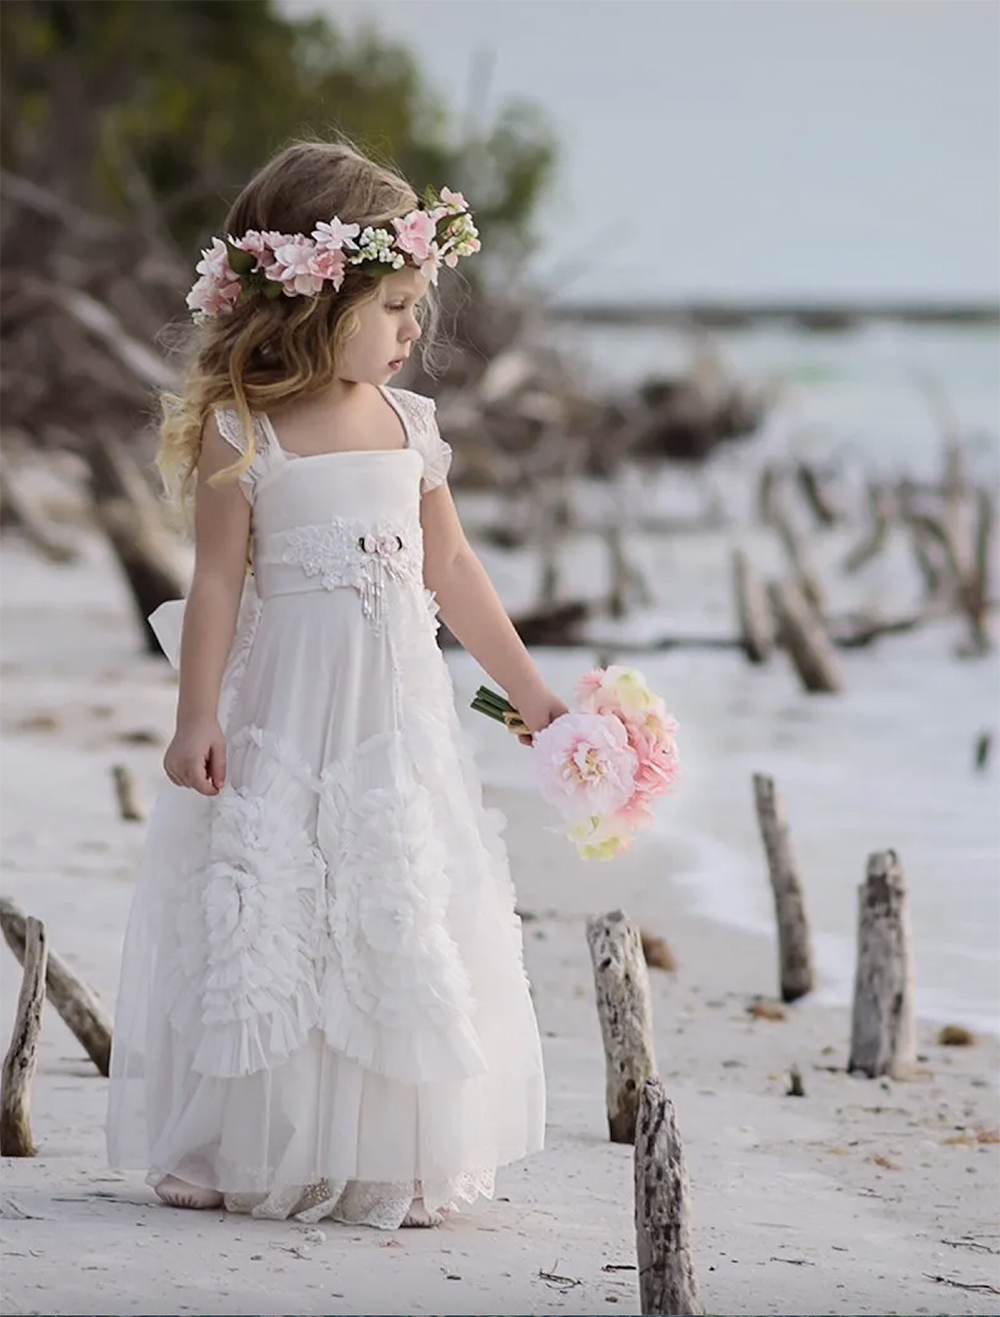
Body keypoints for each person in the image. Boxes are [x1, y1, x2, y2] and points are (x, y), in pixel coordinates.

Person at [105, 140, 567, 1230]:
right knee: (279, 908)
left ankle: (401, 1147)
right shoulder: (243, 429)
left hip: (393, 722)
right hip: (288, 715)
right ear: (318, 298)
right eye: (397, 305)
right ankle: (249, 1138)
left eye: (418, 307)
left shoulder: (411, 429)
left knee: (394, 897)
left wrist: (533, 697)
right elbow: (217, 584)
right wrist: (196, 716)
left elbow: (453, 573)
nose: (415, 331)